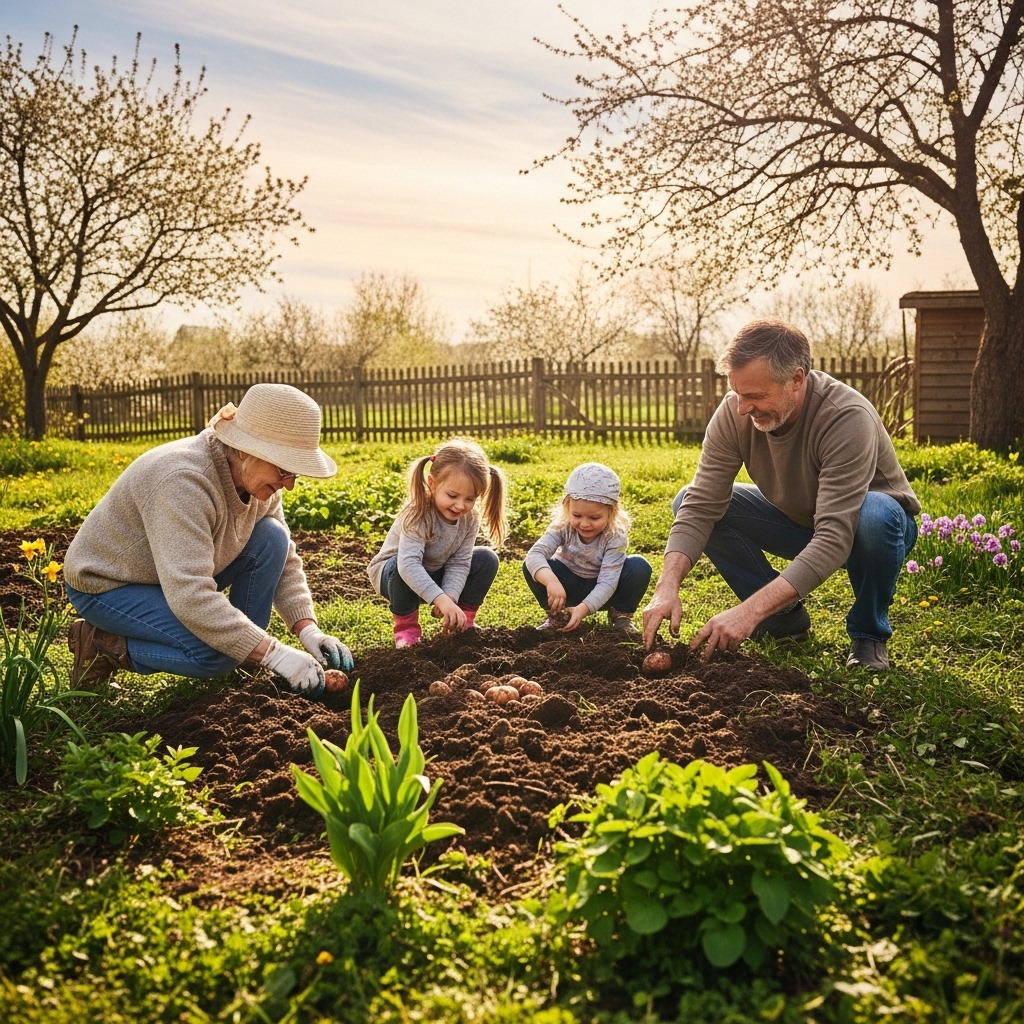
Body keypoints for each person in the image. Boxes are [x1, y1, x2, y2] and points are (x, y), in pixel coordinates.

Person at [642, 319, 921, 671]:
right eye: (737, 393)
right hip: (798, 521)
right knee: (687, 500)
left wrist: (748, 612)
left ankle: (868, 634)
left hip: (867, 529)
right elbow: (701, 506)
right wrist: (666, 586)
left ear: (797, 379)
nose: (743, 407)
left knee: (875, 514)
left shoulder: (846, 417)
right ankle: (784, 619)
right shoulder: (735, 413)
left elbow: (835, 536)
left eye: (756, 396)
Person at [64, 383, 353, 698]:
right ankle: (101, 644)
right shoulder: (185, 481)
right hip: (111, 585)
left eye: (296, 473)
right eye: (285, 469)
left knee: (272, 536)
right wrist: (274, 653)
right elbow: (190, 593)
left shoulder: (258, 480)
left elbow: (283, 560)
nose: (291, 485)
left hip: (171, 576)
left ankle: (248, 660)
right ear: (246, 449)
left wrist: (307, 629)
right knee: (218, 654)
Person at [367, 438, 507, 647]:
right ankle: (407, 631)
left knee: (486, 559)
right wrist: (439, 599)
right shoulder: (418, 513)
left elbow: (459, 562)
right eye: (452, 495)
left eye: (470, 499)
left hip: (434, 571)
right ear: (432, 483)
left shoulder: (470, 518)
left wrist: (449, 598)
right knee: (400, 566)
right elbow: (408, 566)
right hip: (393, 576)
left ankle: (463, 623)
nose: (460, 505)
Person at [523, 462, 652, 634]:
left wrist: (583, 609)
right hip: (566, 588)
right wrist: (551, 581)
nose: (584, 524)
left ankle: (621, 617)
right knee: (532, 566)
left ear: (611, 512)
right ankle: (558, 616)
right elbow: (535, 554)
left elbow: (608, 582)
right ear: (567, 507)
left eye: (594, 517)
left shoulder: (614, 536)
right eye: (577, 515)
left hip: (605, 592)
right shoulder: (563, 526)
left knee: (639, 567)